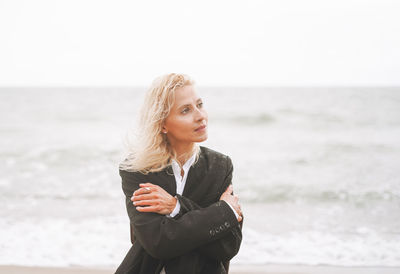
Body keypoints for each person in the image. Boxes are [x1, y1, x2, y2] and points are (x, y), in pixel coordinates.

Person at [115, 73, 243, 274]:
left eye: (200, 105)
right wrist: (222, 213)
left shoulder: (220, 166)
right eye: (185, 110)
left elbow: (227, 246)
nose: (200, 116)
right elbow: (158, 243)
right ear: (163, 124)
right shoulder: (137, 169)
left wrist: (176, 207)